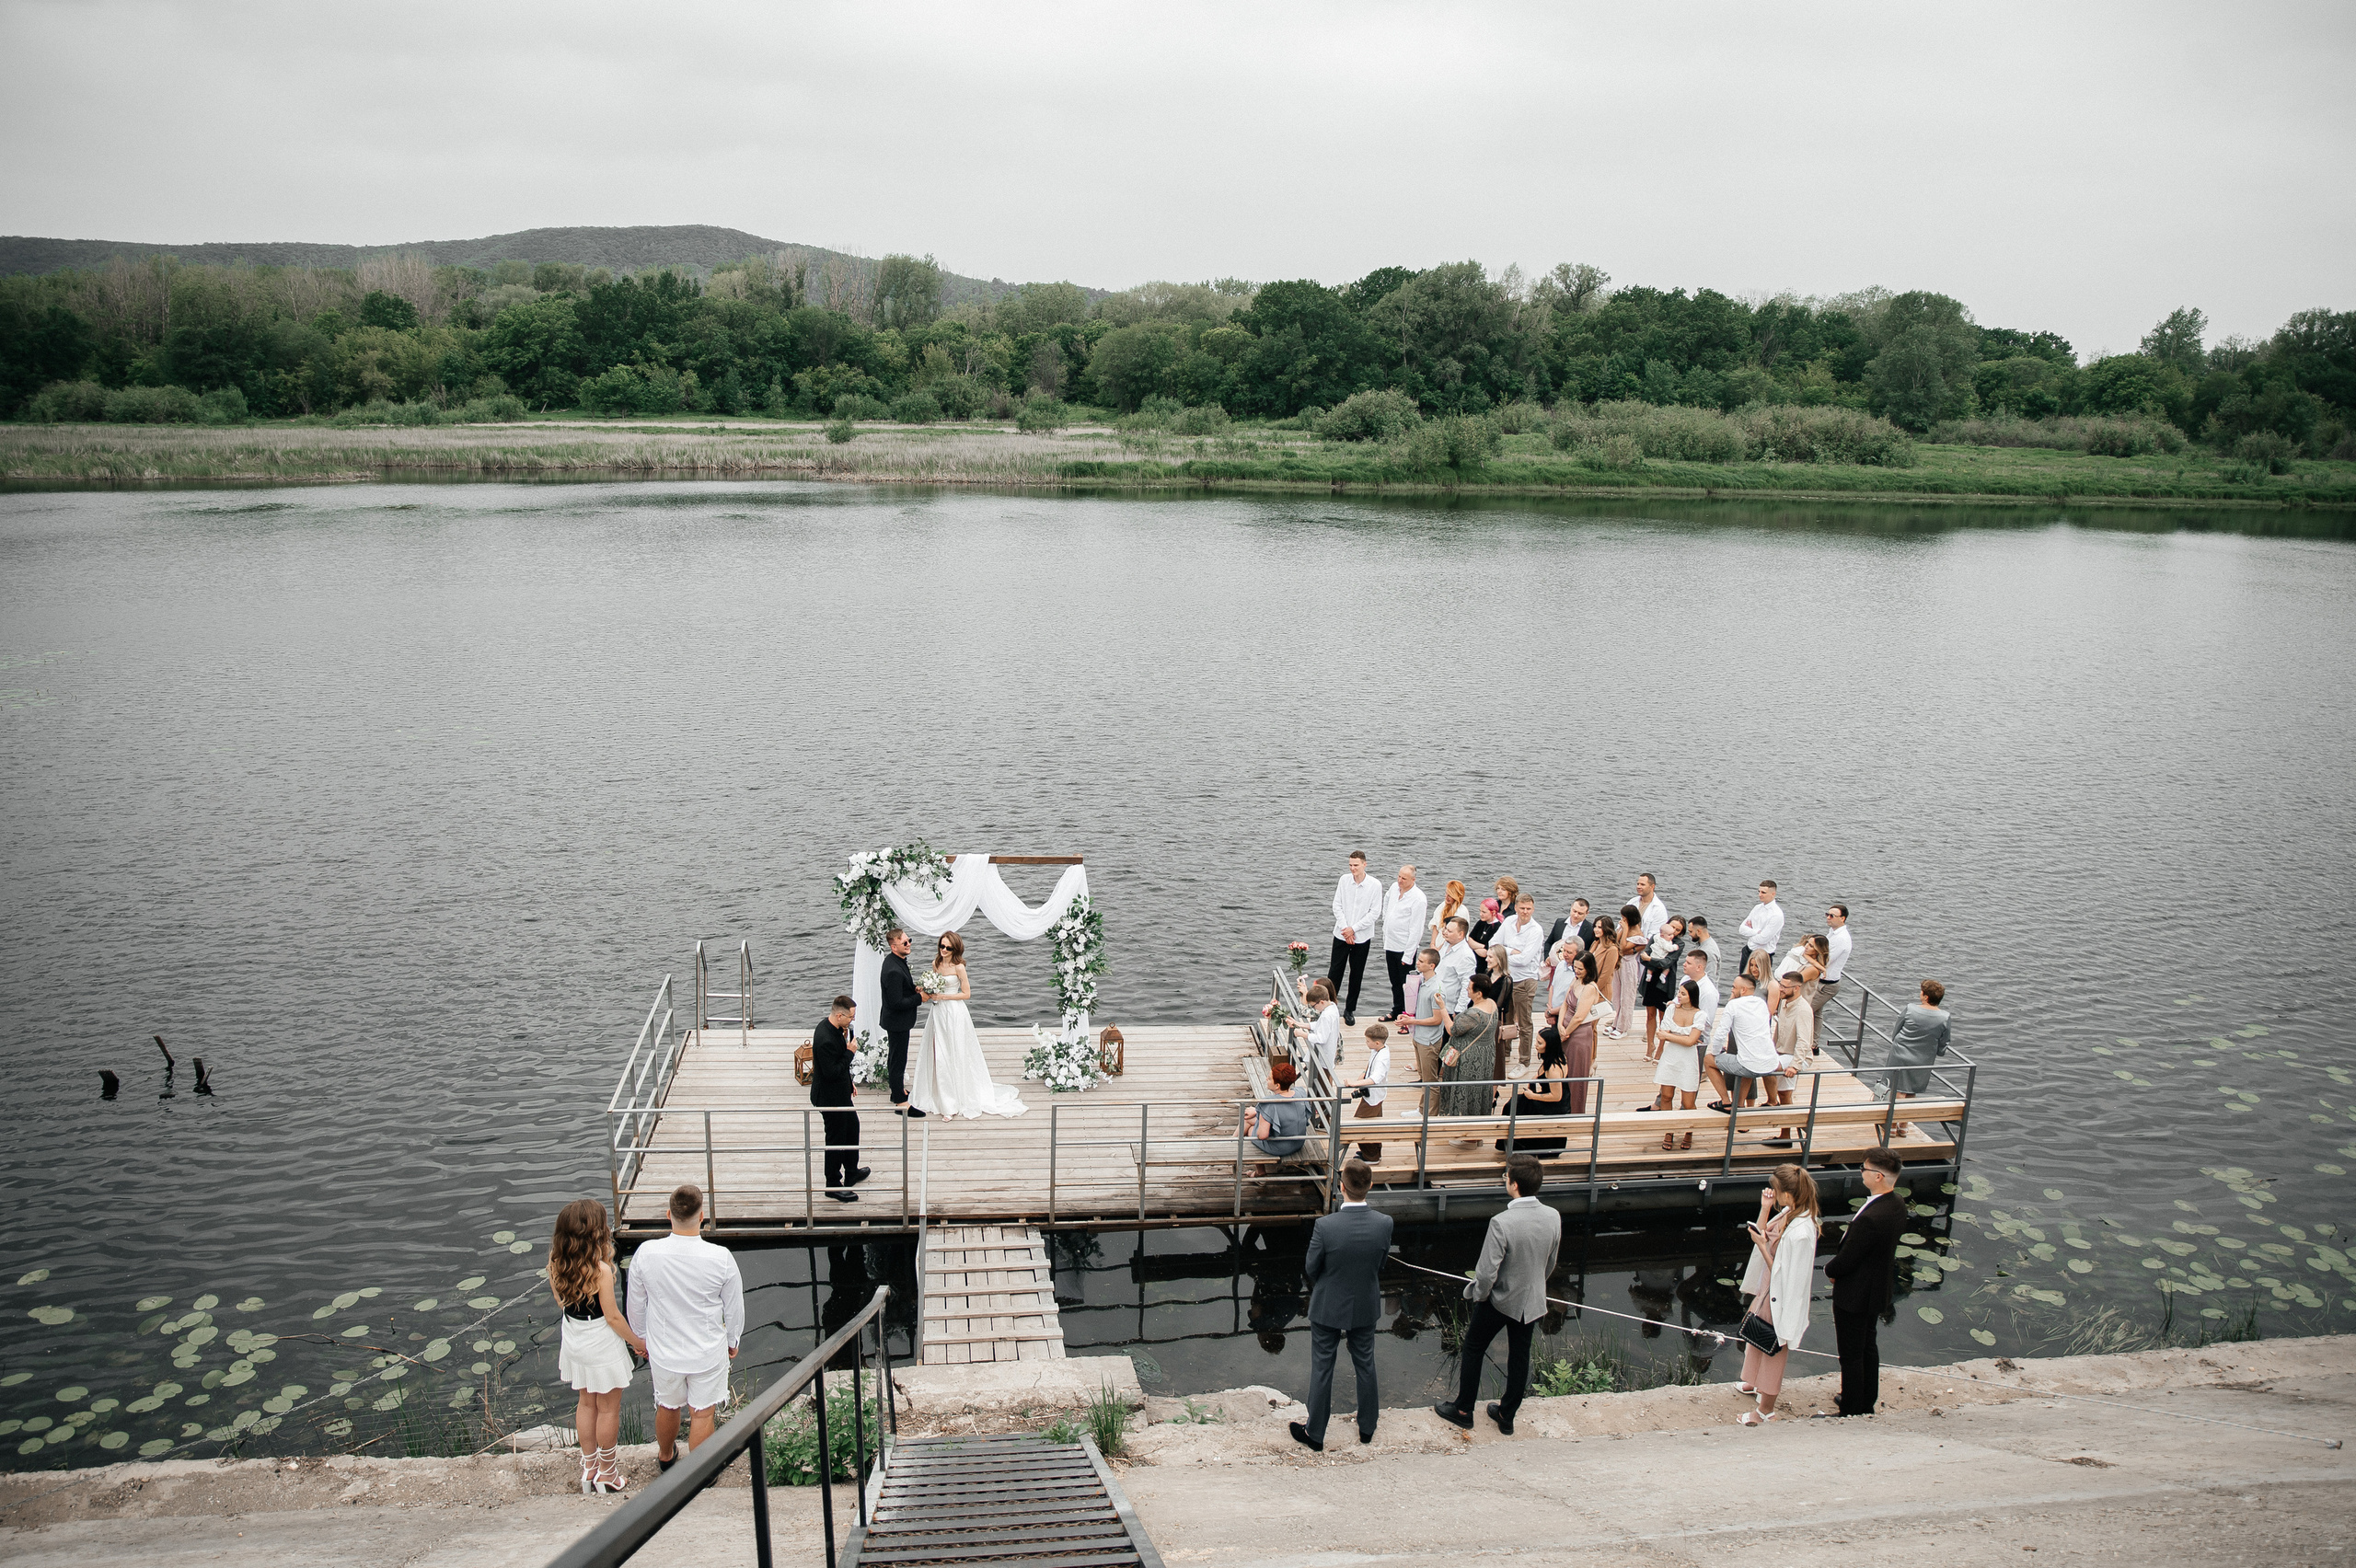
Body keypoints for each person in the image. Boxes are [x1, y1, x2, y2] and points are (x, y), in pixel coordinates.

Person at [1434, 1155, 1561, 1435]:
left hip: (1501, 1300)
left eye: (1506, 1177)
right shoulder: (1553, 1216)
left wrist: (1480, 1295)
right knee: (1520, 1355)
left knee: (1474, 1346)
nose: (1504, 1180)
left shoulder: (1501, 1222)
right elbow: (1550, 1262)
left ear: (1514, 1185)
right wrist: (1537, 1285)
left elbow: (1487, 1272)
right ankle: (1506, 1415)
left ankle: (1464, 1409)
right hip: (1533, 1300)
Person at [625, 1184, 744, 1472]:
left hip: (663, 1350)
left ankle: (666, 1457)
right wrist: (733, 1339)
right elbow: (734, 1308)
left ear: (669, 1214)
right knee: (702, 1414)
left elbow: (636, 1304)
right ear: (702, 1216)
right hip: (706, 1350)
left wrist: (640, 1340)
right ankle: (701, 1472)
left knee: (667, 1406)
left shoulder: (646, 1253)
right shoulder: (721, 1258)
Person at [1292, 1159, 1393, 1452]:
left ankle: (1316, 1433)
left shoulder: (1326, 1226)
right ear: (1370, 1186)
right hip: (1364, 1304)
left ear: (1341, 1187)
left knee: (1323, 1367)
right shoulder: (1384, 1223)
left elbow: (1311, 1268)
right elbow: (1381, 1263)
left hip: (1328, 1306)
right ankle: (1367, 1427)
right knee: (1366, 1364)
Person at [549, 1198, 647, 1495]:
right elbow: (613, 1317)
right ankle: (607, 1473)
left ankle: (588, 1468)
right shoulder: (601, 1271)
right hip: (600, 1342)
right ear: (596, 1233)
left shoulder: (554, 1262)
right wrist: (638, 1343)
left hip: (574, 1338)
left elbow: (561, 1303)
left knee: (585, 1403)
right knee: (608, 1409)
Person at [1734, 1164, 1820, 1425]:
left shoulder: (1802, 1233)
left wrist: (1762, 1247)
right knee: (1755, 1337)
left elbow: (1787, 1276)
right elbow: (1762, 1236)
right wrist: (1765, 1208)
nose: (1774, 1193)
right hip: (1767, 1291)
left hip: (1779, 1298)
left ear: (1788, 1194)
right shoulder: (1787, 1213)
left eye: (1777, 1190)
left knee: (1772, 1347)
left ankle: (1765, 1411)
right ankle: (1753, 1382)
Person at [910, 932, 1028, 1119]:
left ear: (955, 949)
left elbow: (966, 994)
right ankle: (944, 1100)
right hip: (938, 1013)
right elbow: (934, 989)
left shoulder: (959, 968)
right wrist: (925, 990)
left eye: (948, 948)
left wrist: (944, 996)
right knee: (939, 1053)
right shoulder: (936, 964)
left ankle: (956, 1099)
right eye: (942, 946)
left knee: (956, 1051)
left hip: (955, 1012)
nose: (944, 950)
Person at [1824, 1147, 1905, 1417]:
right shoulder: (1896, 1205)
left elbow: (1847, 1260)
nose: (1861, 1172)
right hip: (1878, 1289)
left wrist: (1829, 1269)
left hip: (1855, 1294)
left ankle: (1850, 1409)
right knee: (1868, 1345)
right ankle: (1866, 1399)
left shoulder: (1871, 1218)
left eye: (1864, 1168)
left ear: (1879, 1176)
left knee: (1850, 1353)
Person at [1704, 974, 1798, 1112]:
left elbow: (1720, 1034)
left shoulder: (1733, 1005)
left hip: (1749, 1065)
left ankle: (1725, 1102)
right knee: (1746, 1061)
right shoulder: (1761, 1003)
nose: (1731, 990)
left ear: (1743, 990)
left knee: (1708, 1061)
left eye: (1733, 987)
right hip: (1770, 1062)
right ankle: (1742, 1105)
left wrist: (1716, 1052)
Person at [810, 996, 871, 1201]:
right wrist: (850, 1053)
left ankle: (851, 1170)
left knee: (852, 1127)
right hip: (829, 1097)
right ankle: (833, 1184)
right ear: (839, 1015)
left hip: (840, 1091)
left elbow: (838, 1068)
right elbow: (831, 1071)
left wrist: (849, 1082)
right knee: (835, 1139)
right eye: (850, 1017)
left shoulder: (835, 1029)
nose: (852, 1021)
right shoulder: (825, 1038)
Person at [1880, 980, 1952, 1135]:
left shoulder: (1910, 1009)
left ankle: (1891, 1126)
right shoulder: (1944, 1017)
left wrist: (1897, 1042)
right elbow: (1944, 1040)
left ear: (1926, 997)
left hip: (1900, 1053)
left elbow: (1897, 1030)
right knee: (1912, 1090)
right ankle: (1904, 1126)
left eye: (1921, 992)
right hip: (1924, 1057)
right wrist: (1939, 1052)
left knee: (1897, 1090)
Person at [1490, 894, 1546, 1069]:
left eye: (1529, 909)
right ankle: (1505, 1053)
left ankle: (1524, 1061)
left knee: (1524, 1023)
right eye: (1522, 908)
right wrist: (1511, 951)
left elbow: (1525, 960)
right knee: (1505, 1018)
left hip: (1525, 980)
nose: (1525, 912)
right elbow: (1493, 943)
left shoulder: (1536, 930)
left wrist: (1502, 955)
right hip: (1508, 979)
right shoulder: (1508, 922)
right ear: (1516, 907)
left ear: (1533, 909)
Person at [1328, 850, 1384, 1026]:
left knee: (1356, 974)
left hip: (1362, 936)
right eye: (1350, 865)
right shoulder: (1344, 880)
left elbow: (1374, 913)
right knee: (1335, 972)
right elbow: (1337, 905)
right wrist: (1346, 929)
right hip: (1341, 934)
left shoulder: (1375, 885)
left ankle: (1349, 1010)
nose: (1353, 868)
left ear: (1364, 864)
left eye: (1356, 865)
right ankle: (1329, 1006)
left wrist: (1354, 929)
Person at [1438, 967, 1500, 1120]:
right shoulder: (1491, 1004)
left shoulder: (1474, 1014)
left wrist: (1442, 1008)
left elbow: (1452, 1029)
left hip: (1468, 1059)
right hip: (1486, 1055)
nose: (1466, 989)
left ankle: (1463, 1126)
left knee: (1464, 1091)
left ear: (1478, 993)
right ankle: (1478, 1122)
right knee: (1479, 1090)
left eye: (1469, 987)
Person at [1650, 978, 1706, 1148]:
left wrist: (1669, 1037)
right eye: (1679, 993)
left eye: (1683, 993)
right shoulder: (1671, 1009)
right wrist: (1678, 1037)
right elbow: (1663, 1032)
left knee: (1688, 1102)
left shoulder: (1700, 1014)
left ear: (1692, 996)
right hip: (1671, 1058)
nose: (1679, 996)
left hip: (1688, 1061)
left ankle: (1688, 1132)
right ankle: (1669, 1130)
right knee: (1666, 1096)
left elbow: (1690, 1042)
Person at [1496, 1030, 1569, 1156]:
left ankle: (1516, 1143)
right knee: (1514, 1103)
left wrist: (1533, 1096)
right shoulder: (1558, 1058)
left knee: (1514, 1106)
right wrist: (1535, 1078)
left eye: (1540, 1043)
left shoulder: (1553, 1069)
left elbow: (1557, 1096)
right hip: (1548, 1100)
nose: (1536, 1045)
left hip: (1553, 1106)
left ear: (1549, 1046)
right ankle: (1509, 1141)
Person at [1763, 972, 1815, 1145]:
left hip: (1795, 1056)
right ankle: (1785, 1136)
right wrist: (1771, 1048)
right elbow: (1778, 1030)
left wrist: (1795, 1065)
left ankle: (1772, 1103)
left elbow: (1804, 1040)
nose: (1781, 989)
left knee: (1770, 1068)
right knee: (1784, 1095)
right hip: (1782, 1051)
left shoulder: (1803, 1010)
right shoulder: (1785, 1002)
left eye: (1785, 986)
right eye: (1780, 985)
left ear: (1796, 988)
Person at [879, 928, 924, 1117]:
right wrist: (921, 997)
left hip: (896, 1021)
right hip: (897, 1021)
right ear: (894, 946)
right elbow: (896, 1002)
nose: (909, 944)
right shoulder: (893, 971)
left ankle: (897, 1091)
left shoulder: (896, 961)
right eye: (905, 943)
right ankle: (901, 1103)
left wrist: (914, 988)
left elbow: (902, 989)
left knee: (896, 1058)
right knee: (898, 1060)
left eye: (909, 940)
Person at [1403, 948, 1450, 1114]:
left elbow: (1437, 1019)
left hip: (1429, 1040)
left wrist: (1412, 1021)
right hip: (1419, 1036)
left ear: (1432, 965)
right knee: (1424, 1076)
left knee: (1431, 1080)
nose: (1417, 963)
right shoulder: (1421, 981)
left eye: (1421, 961)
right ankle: (1422, 1109)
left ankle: (1430, 1114)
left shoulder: (1436, 988)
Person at [1378, 865, 1426, 1022]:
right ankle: (1397, 1009)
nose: (1399, 880)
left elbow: (1416, 929)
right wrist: (1386, 919)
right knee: (1395, 982)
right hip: (1390, 943)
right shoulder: (1394, 888)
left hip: (1404, 947)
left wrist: (1408, 955)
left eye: (1404, 878)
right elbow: (1386, 900)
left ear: (1413, 879)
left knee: (1408, 986)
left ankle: (1409, 1015)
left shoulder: (1418, 898)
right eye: (1399, 876)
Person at [1249, 1059, 1311, 1174]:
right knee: (1248, 1119)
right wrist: (1257, 1112)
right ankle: (1232, 1142)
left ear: (1277, 1085)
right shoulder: (1300, 1093)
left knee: (1250, 1130)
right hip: (1299, 1142)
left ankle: (1260, 1173)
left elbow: (1262, 1135)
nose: (1267, 1079)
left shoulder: (1269, 1104)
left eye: (1270, 1078)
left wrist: (1259, 1112)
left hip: (1281, 1147)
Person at [1638, 915, 1685, 1060]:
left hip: (1665, 982)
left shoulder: (1678, 944)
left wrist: (1651, 960)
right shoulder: (1656, 937)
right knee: (1650, 1015)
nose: (1674, 931)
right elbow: (1643, 957)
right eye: (1673, 927)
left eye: (1678, 930)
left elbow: (1667, 962)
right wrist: (1652, 961)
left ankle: (1661, 1047)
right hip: (1650, 979)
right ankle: (1650, 1045)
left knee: (1663, 1016)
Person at [1343, 1022, 1391, 1163]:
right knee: (1374, 1124)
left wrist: (1354, 1083)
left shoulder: (1382, 1058)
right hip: (1375, 1095)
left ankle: (1371, 1156)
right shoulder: (1378, 1050)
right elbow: (1370, 1064)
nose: (1366, 1043)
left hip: (1374, 1096)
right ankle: (1375, 1152)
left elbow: (1375, 1079)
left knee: (1361, 1124)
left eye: (1368, 1041)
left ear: (1377, 1042)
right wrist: (1363, 1073)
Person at [1290, 977, 1343, 1090]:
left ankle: (1323, 1106)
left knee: (1322, 1086)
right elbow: (1318, 1025)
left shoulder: (1326, 1015)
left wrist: (1302, 1034)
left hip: (1324, 1057)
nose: (1315, 1008)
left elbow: (1321, 1038)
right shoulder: (1332, 1007)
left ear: (1322, 1002)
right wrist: (1300, 1024)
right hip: (1327, 1055)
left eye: (1314, 1006)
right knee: (1322, 1083)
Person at [1817, 904, 1853, 1041]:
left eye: (1832, 916)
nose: (1828, 918)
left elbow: (1825, 960)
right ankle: (1813, 1044)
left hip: (1827, 984)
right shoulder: (1832, 933)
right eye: (1827, 914)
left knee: (1807, 1010)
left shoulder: (1841, 938)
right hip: (1821, 980)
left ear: (1842, 918)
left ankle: (1809, 1042)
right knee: (1816, 1012)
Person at [1738, 881, 1784, 981]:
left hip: (1762, 957)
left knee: (1757, 986)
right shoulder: (1757, 908)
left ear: (1773, 894)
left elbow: (1763, 939)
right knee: (1741, 982)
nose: (1759, 895)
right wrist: (1756, 931)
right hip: (1748, 951)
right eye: (1759, 891)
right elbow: (1741, 929)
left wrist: (1750, 931)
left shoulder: (1777, 915)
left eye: (1763, 892)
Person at [1588, 916, 1623, 1039]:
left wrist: (1592, 990)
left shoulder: (1612, 949)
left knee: (1591, 1026)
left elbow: (1605, 975)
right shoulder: (1595, 943)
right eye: (1595, 926)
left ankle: (1591, 1056)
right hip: (1590, 987)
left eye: (1600, 927)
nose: (1596, 930)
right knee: (1586, 1026)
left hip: (1600, 991)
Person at [1612, 903, 1645, 1037]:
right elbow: (1615, 942)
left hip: (1629, 967)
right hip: (1619, 965)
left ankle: (1623, 1027)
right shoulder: (1622, 929)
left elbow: (1623, 948)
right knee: (1617, 995)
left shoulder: (1639, 935)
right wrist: (1621, 929)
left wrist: (1625, 930)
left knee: (1627, 996)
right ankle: (1616, 1022)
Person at [1435, 916, 1476, 1014]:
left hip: (1449, 1008)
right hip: (1435, 1002)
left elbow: (1467, 984)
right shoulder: (1446, 945)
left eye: (1449, 931)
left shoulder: (1466, 956)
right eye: (1445, 929)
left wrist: (1459, 1010)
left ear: (1460, 934)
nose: (1444, 932)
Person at [1427, 878, 1470, 952]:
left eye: (1450, 895)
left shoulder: (1461, 911)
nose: (1446, 897)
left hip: (1450, 946)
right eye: (1446, 893)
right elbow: (1435, 926)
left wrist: (1439, 949)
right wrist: (1432, 944)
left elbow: (1454, 935)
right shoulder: (1442, 906)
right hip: (1438, 943)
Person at [1545, 896, 1592, 960]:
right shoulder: (1559, 923)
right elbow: (1549, 943)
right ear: (1571, 907)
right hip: (1555, 963)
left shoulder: (1590, 929)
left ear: (1587, 913)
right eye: (1574, 911)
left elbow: (1590, 952)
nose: (1576, 915)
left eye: (1580, 913)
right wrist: (1548, 957)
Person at [1685, 914, 1721, 983]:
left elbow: (1710, 978)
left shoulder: (1709, 951)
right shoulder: (1701, 945)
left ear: (1698, 931)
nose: (1689, 934)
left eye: (1691, 931)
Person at [1634, 872, 1668, 942]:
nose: (1638, 887)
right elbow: (1621, 925)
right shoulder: (1632, 902)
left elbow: (1653, 937)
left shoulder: (1659, 909)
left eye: (1642, 884)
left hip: (1642, 948)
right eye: (1638, 884)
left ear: (1652, 887)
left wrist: (1632, 950)